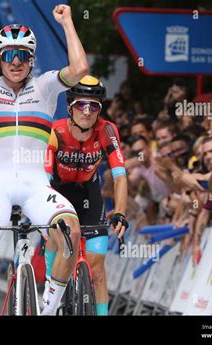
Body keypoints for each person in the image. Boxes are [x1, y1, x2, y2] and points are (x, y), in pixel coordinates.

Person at [0, 4, 89, 315]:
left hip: (36, 185)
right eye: (9, 55)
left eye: (23, 55)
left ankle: (49, 309)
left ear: (31, 60)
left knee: (71, 232)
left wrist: (67, 23)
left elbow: (79, 69)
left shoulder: (46, 86)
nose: (16, 62)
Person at [44, 76, 129, 315]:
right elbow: (44, 177)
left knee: (98, 268)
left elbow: (120, 175)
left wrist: (121, 211)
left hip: (89, 194)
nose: (88, 111)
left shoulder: (107, 130)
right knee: (56, 239)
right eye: (82, 105)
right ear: (70, 107)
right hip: (57, 192)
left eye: (94, 106)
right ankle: (51, 292)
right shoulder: (55, 131)